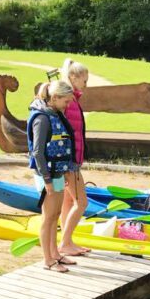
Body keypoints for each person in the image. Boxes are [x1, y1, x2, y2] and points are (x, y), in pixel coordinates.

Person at [27, 80, 77, 272]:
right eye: (66, 101)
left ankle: (55, 253)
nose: (68, 105)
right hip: (45, 174)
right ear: (55, 98)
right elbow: (38, 153)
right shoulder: (42, 119)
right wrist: (47, 180)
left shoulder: (55, 114)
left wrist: (62, 172)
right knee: (48, 217)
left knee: (56, 214)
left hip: (57, 171)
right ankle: (47, 259)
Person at [59, 58, 91, 257]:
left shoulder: (72, 100)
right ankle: (64, 243)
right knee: (82, 203)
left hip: (71, 160)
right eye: (84, 81)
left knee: (68, 202)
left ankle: (67, 240)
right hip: (70, 162)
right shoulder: (68, 102)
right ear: (73, 77)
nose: (86, 85)